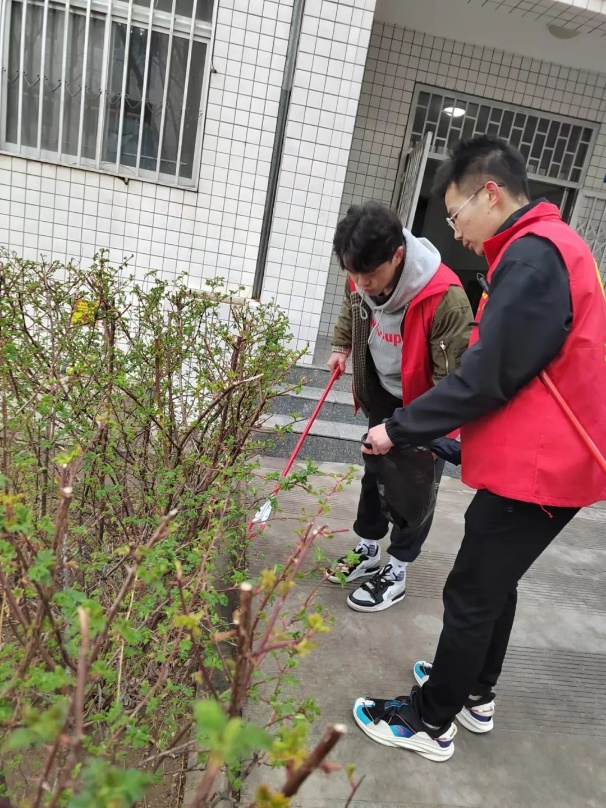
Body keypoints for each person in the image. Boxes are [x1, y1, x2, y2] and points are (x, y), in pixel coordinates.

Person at [353, 134, 606, 762]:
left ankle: (430, 719)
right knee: (495, 584)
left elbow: (485, 376)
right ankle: (474, 692)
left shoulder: (533, 256)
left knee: (469, 592)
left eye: (456, 212)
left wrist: (400, 427)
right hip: (547, 458)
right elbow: (522, 373)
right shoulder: (549, 248)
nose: (455, 230)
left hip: (544, 467)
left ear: (489, 194)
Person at [325, 202, 473, 612]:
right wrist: (341, 345)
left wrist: (424, 432)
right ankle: (369, 548)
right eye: (353, 273)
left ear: (398, 255)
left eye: (370, 275)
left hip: (426, 404)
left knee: (413, 489)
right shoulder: (362, 274)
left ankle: (398, 570)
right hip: (385, 391)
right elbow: (352, 305)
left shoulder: (445, 298)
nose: (361, 283)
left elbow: (454, 384)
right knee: (374, 473)